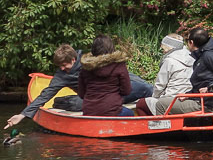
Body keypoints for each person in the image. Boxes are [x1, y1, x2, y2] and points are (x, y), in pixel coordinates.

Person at [5, 43, 152, 130]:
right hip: (95, 99)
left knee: (144, 88)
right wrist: (22, 115)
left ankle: (160, 101)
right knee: (79, 103)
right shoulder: (62, 76)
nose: (62, 69)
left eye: (64, 65)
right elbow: (46, 94)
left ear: (74, 59)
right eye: (59, 66)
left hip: (115, 92)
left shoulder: (89, 61)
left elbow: (121, 72)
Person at [135, 34, 194, 116]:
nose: (163, 51)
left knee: (141, 104)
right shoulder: (192, 58)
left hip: (171, 98)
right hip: (188, 96)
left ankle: (154, 126)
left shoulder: (169, 61)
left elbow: (160, 85)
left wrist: (155, 97)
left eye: (163, 49)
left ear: (169, 48)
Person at [77, 35, 135, 117]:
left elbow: (81, 94)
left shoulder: (86, 67)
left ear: (93, 49)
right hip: (113, 110)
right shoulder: (119, 65)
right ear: (111, 48)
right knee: (130, 114)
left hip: (89, 111)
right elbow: (126, 91)